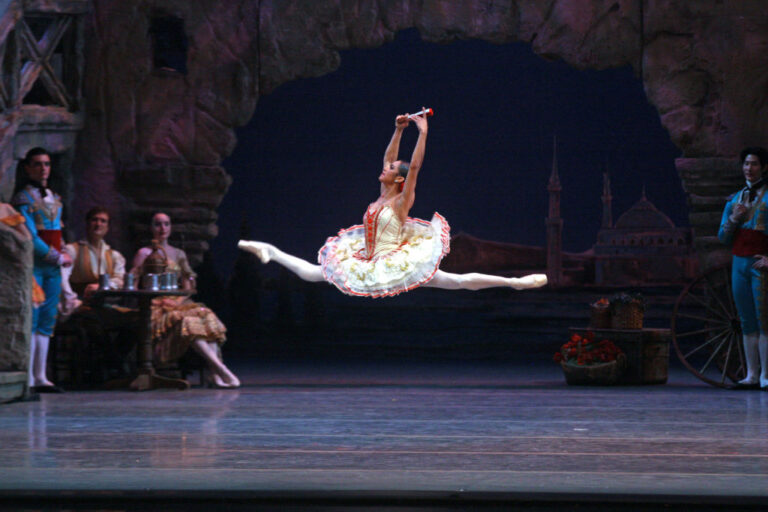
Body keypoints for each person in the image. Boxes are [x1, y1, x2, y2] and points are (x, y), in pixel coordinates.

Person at [238, 110, 548, 297]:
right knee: (313, 273)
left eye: (390, 169)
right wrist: (399, 129)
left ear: (397, 180)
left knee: (458, 282)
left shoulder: (401, 201)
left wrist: (422, 132)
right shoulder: (381, 195)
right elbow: (390, 158)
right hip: (368, 259)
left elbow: (412, 168)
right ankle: (270, 250)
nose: (385, 167)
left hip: (397, 262)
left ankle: (516, 283)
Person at [131, 213, 239, 388]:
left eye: (166, 224)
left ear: (170, 227)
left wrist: (180, 300)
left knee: (206, 315)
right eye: (158, 224)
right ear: (151, 228)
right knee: (189, 322)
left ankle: (215, 373)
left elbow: (188, 284)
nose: (162, 228)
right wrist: (148, 299)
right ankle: (221, 370)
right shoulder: (144, 253)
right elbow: (133, 282)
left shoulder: (178, 253)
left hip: (179, 303)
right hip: (157, 306)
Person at [11, 147, 72, 393]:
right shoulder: (23, 198)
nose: (43, 168)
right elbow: (30, 236)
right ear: (27, 168)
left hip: (53, 267)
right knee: (33, 318)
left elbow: (58, 229)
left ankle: (40, 375)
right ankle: (26, 375)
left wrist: (64, 252)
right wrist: (55, 255)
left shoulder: (55, 199)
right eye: (37, 164)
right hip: (36, 265)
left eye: (46, 164)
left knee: (48, 318)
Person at [60, 207, 137, 379]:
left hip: (106, 305)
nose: (98, 224)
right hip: (80, 304)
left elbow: (119, 280)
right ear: (87, 223)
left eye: (103, 221)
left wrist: (103, 286)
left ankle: (108, 361)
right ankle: (115, 364)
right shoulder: (72, 250)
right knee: (92, 321)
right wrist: (72, 298)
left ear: (108, 227)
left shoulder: (114, 255)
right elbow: (62, 277)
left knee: (137, 320)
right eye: (95, 220)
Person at [718, 146, 768, 389]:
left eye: (755, 164)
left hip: (762, 265)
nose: (749, 168)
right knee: (746, 320)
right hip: (739, 263)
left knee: (764, 319)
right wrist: (734, 218)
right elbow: (723, 237)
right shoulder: (735, 199)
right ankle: (751, 374)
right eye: (746, 164)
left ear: (764, 167)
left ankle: (766, 375)